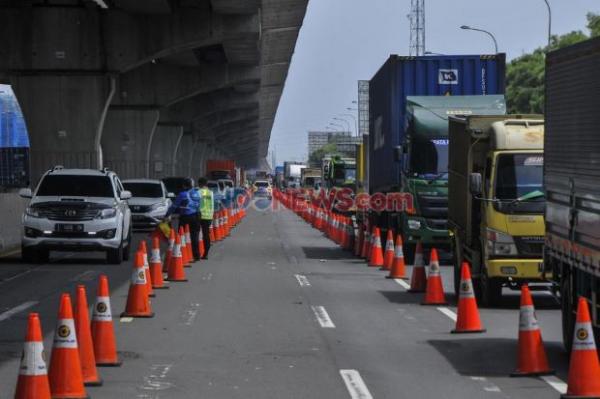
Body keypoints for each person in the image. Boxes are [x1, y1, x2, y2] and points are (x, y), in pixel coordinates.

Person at [166, 178, 201, 261]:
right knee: (195, 236)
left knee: (181, 236)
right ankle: (196, 255)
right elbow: (198, 205)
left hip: (185, 217)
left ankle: (181, 254)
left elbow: (174, 206)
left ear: (184, 185)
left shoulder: (182, 194)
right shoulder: (197, 193)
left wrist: (167, 214)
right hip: (196, 216)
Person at [197, 177, 214, 259]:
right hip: (208, 216)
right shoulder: (211, 193)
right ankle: (206, 253)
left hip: (199, 215)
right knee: (206, 235)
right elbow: (212, 205)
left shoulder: (199, 192)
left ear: (200, 184)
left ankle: (196, 253)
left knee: (195, 234)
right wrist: (212, 216)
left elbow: (196, 204)